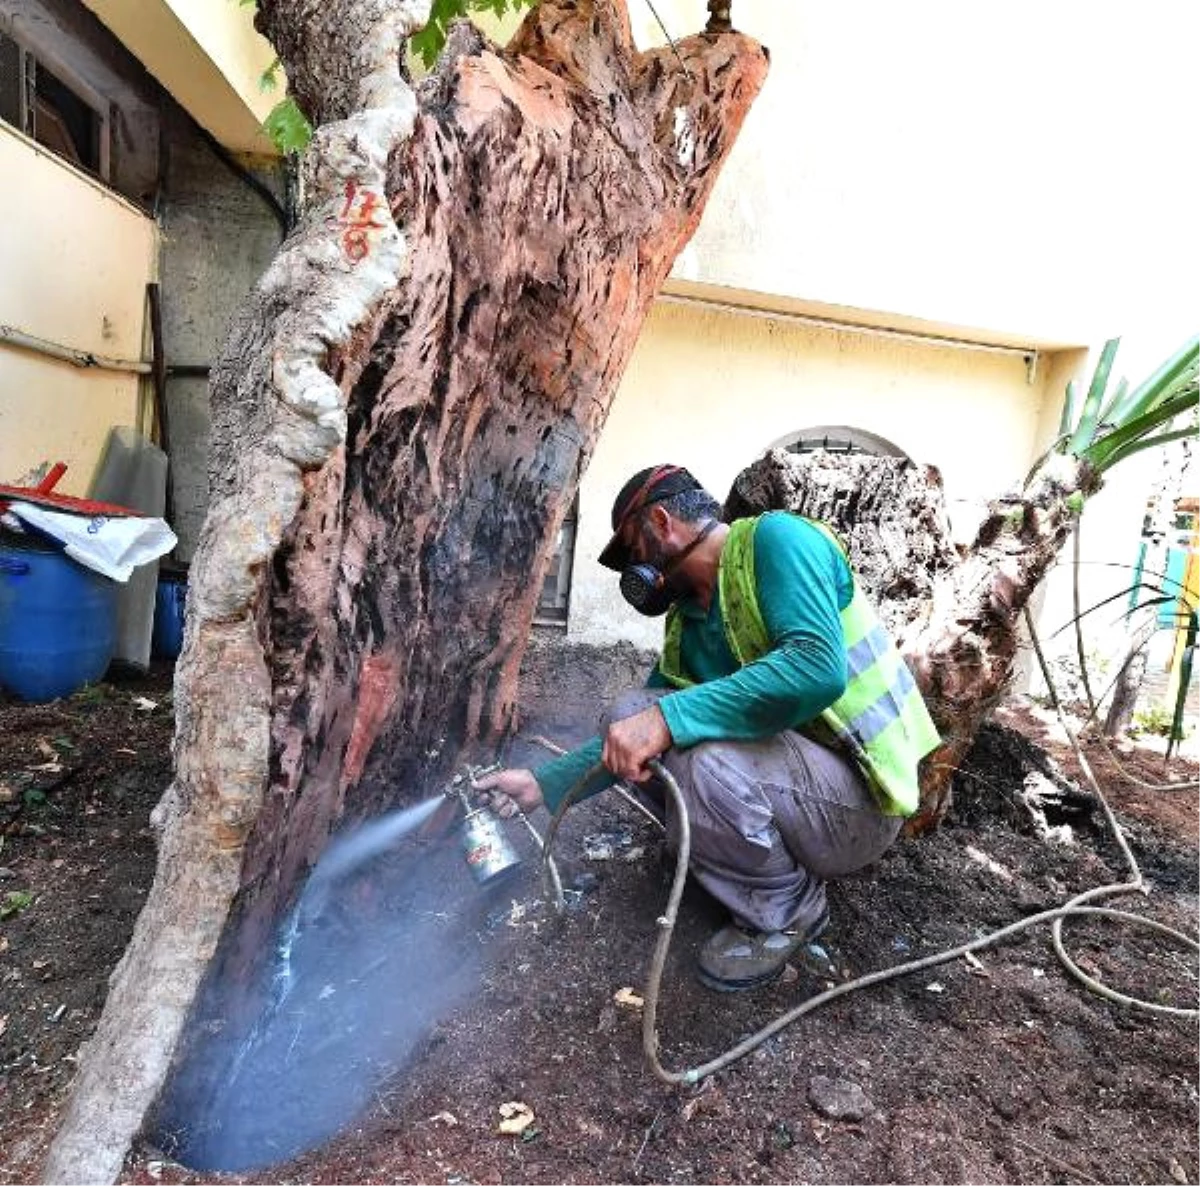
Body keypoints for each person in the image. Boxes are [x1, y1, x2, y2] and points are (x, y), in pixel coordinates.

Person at [476, 464, 940, 992]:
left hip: (859, 803)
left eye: (633, 552)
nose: (635, 572)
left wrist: (669, 718)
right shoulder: (692, 619)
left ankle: (787, 911)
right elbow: (635, 734)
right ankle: (736, 856)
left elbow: (816, 666)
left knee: (701, 758)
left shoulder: (779, 541)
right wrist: (545, 783)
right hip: (794, 789)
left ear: (662, 521)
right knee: (632, 713)